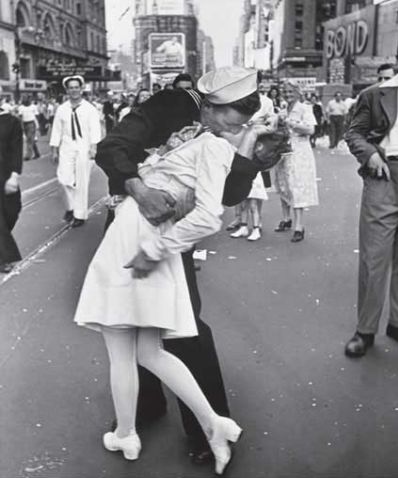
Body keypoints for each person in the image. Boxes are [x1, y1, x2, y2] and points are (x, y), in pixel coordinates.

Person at [75, 67, 264, 475]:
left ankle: (204, 425)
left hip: (171, 234)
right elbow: (111, 148)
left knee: (182, 326)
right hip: (134, 220)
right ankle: (143, 410)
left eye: (244, 120)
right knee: (130, 323)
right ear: (210, 102)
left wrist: (245, 152)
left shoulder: (229, 135)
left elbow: (227, 195)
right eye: (232, 117)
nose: (234, 125)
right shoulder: (170, 103)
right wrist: (140, 190)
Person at [344, 70, 398, 357]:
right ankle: (365, 331)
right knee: (374, 256)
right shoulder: (375, 94)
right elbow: (353, 132)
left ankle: (396, 323)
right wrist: (370, 154)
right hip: (384, 174)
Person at [50, 75, 102, 228]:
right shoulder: (62, 109)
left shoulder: (89, 109)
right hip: (66, 146)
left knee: (82, 180)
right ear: (67, 90)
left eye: (76, 87)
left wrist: (93, 147)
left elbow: (95, 130)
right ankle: (70, 207)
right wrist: (54, 150)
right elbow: (56, 130)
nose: (74, 90)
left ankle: (79, 214)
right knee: (63, 179)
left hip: (84, 147)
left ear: (81, 89)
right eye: (70, 88)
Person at [273, 80, 319, 242]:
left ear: (298, 93)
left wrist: (291, 123)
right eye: (285, 92)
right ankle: (286, 219)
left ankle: (299, 226)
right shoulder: (284, 108)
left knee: (297, 186)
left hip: (299, 151)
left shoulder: (304, 108)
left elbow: (311, 129)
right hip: (283, 150)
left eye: (291, 92)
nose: (287, 95)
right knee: (283, 184)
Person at [0, 103, 23, 273]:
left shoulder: (11, 122)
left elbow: (16, 150)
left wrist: (14, 175)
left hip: (6, 175)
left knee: (11, 212)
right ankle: (4, 258)